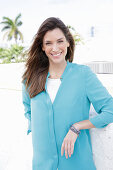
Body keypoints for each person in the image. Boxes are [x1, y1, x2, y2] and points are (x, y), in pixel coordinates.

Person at [22, 17, 113, 170]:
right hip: (41, 165)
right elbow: (28, 109)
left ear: (68, 42)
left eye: (60, 41)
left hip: (77, 164)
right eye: (48, 43)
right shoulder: (30, 79)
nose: (55, 48)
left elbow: (110, 110)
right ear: (42, 47)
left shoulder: (83, 75)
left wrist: (77, 127)